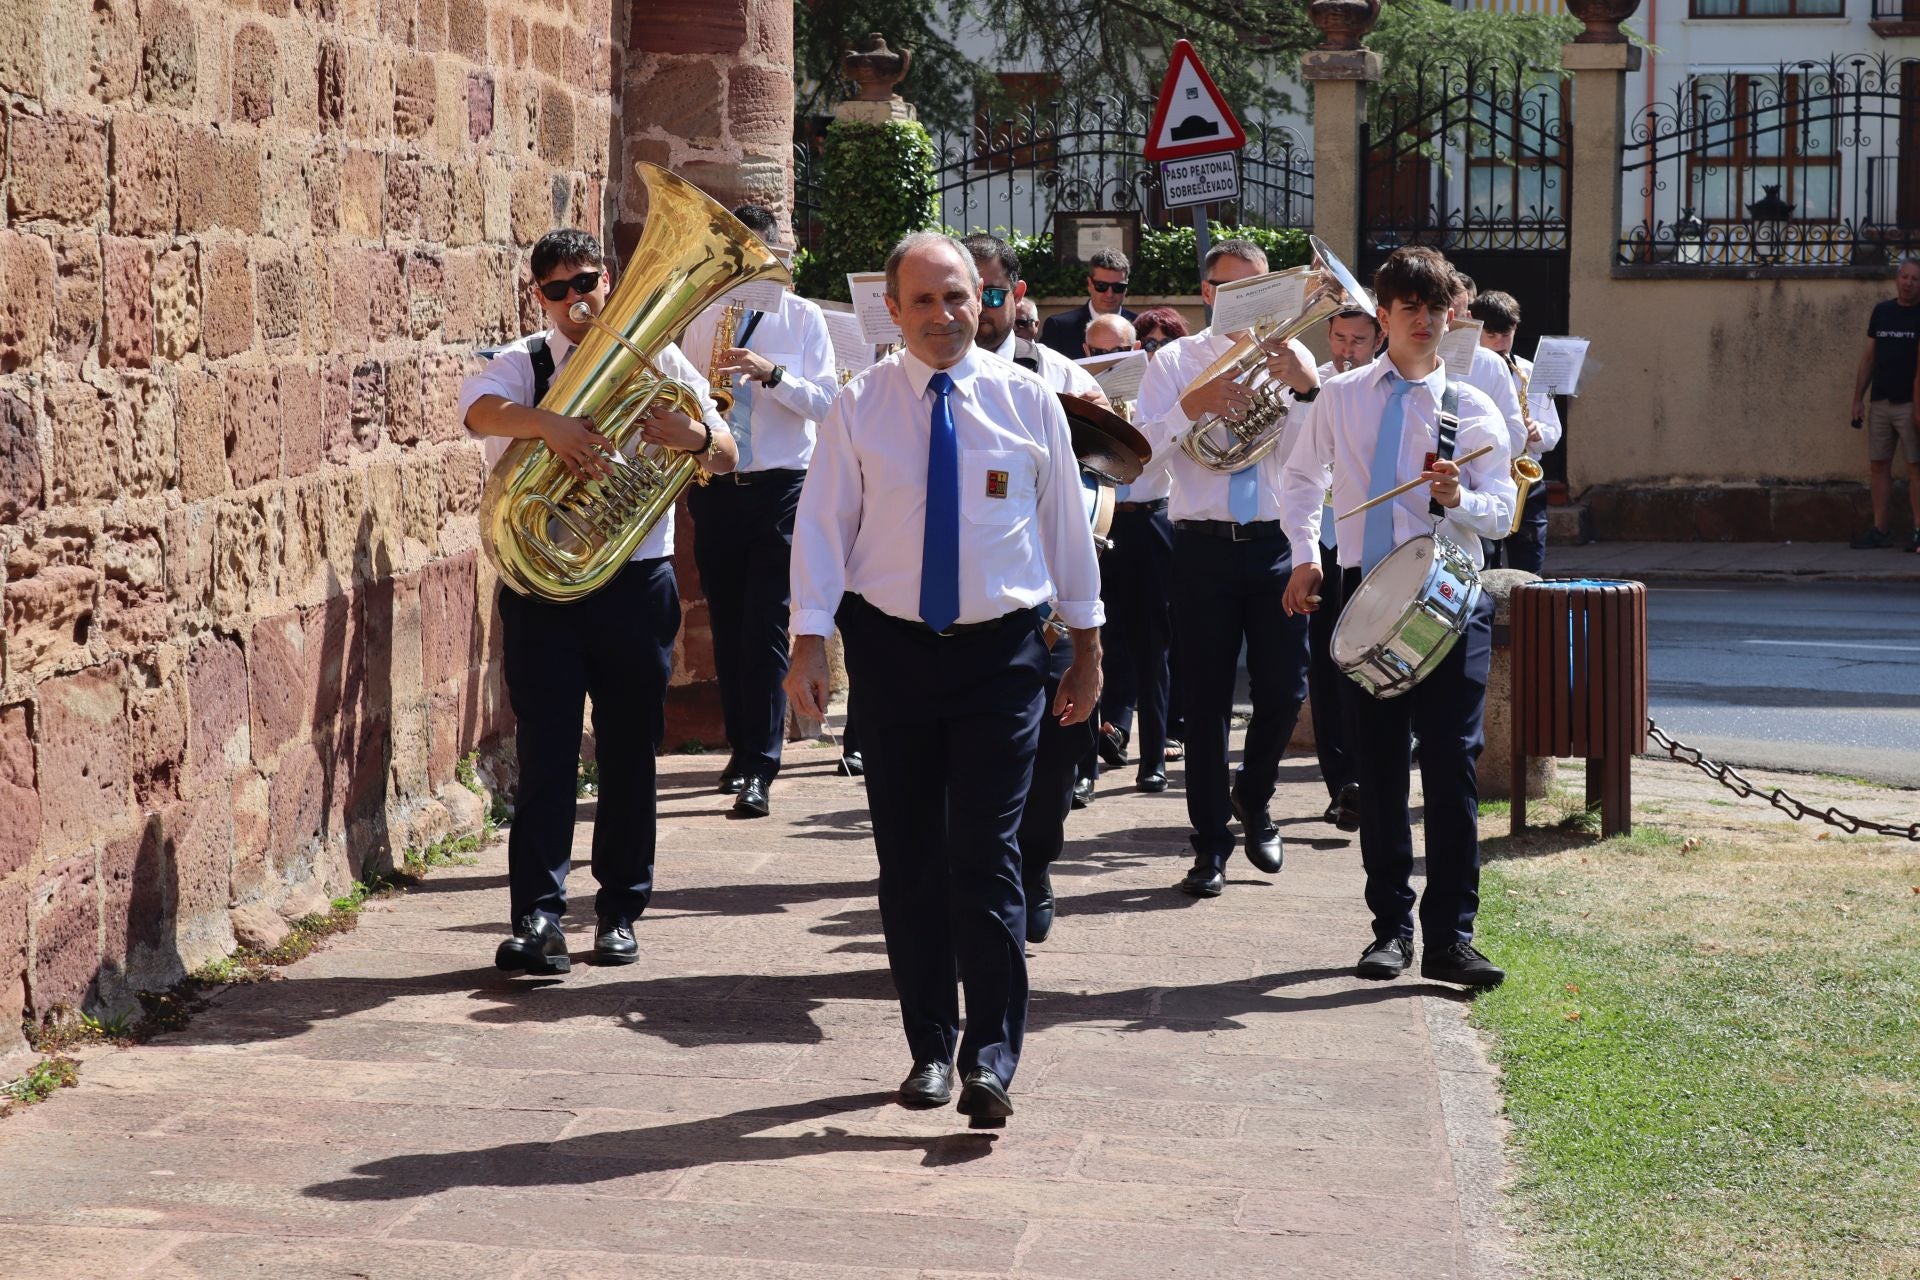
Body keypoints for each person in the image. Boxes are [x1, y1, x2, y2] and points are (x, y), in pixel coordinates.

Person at [785, 232, 1104, 1126]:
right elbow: (822, 526)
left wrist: (1089, 649)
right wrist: (807, 642)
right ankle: (929, 1046)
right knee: (910, 857)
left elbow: (1066, 531)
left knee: (987, 854)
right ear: (892, 310)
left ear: (987, 298)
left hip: (1002, 656)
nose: (944, 315)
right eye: (923, 300)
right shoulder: (858, 405)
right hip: (890, 653)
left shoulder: (1028, 400)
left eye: (959, 296)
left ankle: (990, 1060)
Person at [459, 227, 736, 975]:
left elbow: (727, 452)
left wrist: (690, 434)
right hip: (542, 588)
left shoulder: (658, 358)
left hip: (633, 584)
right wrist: (549, 426)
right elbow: (478, 412)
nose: (575, 300)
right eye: (558, 290)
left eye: (585, 282)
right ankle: (538, 917)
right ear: (539, 297)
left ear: (608, 280)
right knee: (546, 752)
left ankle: (619, 912)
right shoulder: (526, 361)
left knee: (628, 753)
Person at [1278, 245, 1515, 990]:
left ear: (1450, 315)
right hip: (1362, 596)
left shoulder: (1471, 406)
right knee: (1378, 775)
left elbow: (1503, 511)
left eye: (1434, 308)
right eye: (1408, 308)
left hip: (1451, 602)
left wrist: (1459, 499)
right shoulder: (1343, 396)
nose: (1423, 320)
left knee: (1451, 769)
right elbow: (1300, 477)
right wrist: (1305, 554)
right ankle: (1390, 930)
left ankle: (1452, 937)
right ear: (1382, 315)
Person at [1134, 239, 1319, 899]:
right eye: (1235, 289)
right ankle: (1210, 843)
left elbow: (1311, 462)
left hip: (1274, 544)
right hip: (1201, 546)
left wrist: (1307, 391)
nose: (1251, 301)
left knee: (1285, 691)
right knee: (1205, 702)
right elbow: (1139, 457)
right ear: (1208, 292)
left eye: (1261, 288)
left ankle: (1255, 796)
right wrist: (1192, 405)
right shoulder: (1174, 362)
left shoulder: (1293, 358)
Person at [961, 232, 1107, 944]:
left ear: (1016, 296)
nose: (979, 309)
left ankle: (1036, 863)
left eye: (992, 293)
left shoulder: (1060, 376)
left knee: (1054, 756)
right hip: (963, 604)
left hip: (1046, 601)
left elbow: (1117, 466)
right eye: (967, 292)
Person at [678, 205, 838, 818]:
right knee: (726, 624)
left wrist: (773, 375)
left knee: (767, 626)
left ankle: (762, 764)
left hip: (782, 487)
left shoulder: (803, 318)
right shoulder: (704, 317)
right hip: (718, 482)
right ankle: (741, 748)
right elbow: (685, 393)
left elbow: (828, 405)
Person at [1096, 305, 1185, 793]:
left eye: (1154, 346)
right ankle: (1087, 763)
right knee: (1096, 640)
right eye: (1099, 351)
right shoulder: (1084, 393)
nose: (1112, 358)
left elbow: (1157, 456)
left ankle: (1153, 758)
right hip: (1101, 522)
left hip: (1150, 521)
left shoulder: (1162, 394)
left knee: (1153, 647)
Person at [1304, 297, 1384, 833]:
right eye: (1338, 339)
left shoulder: (1383, 389)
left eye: (1358, 341)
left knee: (1368, 662)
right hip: (1322, 540)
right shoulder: (1314, 384)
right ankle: (1341, 787)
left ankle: (1370, 777)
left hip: (1367, 541)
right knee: (1325, 663)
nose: (1346, 350)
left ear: (1378, 339)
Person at [1471, 290, 1563, 574]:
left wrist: (1537, 431)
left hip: (1526, 483)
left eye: (1506, 334)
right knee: (1486, 568)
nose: (1500, 343)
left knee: (1529, 570)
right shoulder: (1470, 372)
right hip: (1486, 478)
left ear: (1516, 329)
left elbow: (1553, 431)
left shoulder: (1528, 372)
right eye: (1491, 335)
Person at [1445, 274, 1526, 566]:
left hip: (1474, 509)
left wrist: (1475, 437)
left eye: (1459, 314)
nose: (1449, 324)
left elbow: (1516, 439)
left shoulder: (1489, 364)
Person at [1849, 257, 1920, 550]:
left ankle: (1919, 531)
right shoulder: (1882, 312)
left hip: (1910, 404)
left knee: (1915, 468)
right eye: (1904, 277)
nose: (1909, 283)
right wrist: (1857, 399)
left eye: (1915, 279)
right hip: (1880, 401)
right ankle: (1880, 529)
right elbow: (1869, 358)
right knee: (1878, 466)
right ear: (1896, 279)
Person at [1039, 247, 1138, 360]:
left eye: (1118, 287)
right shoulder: (1059, 328)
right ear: (1090, 284)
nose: (1109, 294)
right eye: (1101, 286)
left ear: (1126, 287)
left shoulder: (1141, 325)